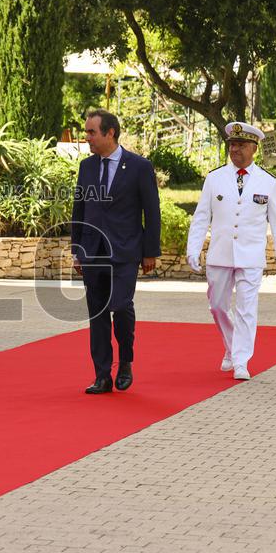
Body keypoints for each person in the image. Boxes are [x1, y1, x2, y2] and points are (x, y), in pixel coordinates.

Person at [186, 122, 276, 381]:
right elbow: (201, 217)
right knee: (218, 306)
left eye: (241, 145)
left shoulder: (267, 181)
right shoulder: (215, 178)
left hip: (251, 255)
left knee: (246, 308)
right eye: (232, 144)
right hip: (220, 254)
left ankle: (241, 360)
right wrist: (193, 248)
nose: (234, 149)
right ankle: (232, 346)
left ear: (254, 148)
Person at [71, 109, 161, 394]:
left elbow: (152, 211)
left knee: (120, 306)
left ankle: (125, 361)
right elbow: (79, 210)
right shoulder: (86, 166)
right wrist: (77, 250)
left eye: (91, 132)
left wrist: (150, 251)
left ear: (110, 133)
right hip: (93, 252)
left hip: (125, 251)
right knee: (97, 314)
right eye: (86, 132)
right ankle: (102, 375)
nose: (87, 138)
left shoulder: (139, 166)